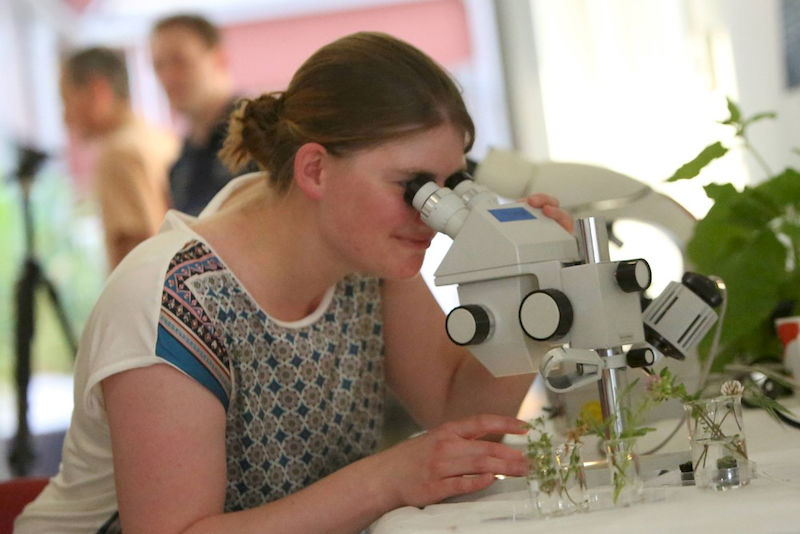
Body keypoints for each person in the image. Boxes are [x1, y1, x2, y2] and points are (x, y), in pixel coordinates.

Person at [16, 32, 573, 533]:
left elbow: (461, 420)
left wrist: (536, 294)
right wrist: (383, 480)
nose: (433, 213)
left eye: (449, 186)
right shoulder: (173, 301)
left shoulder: (367, 262)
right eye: (413, 186)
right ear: (315, 170)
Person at [60, 46, 178, 270]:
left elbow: (136, 251)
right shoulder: (160, 138)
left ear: (98, 91)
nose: (65, 117)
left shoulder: (117, 155)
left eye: (66, 99)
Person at [150, 13, 246, 216]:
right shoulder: (180, 166)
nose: (168, 76)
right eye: (158, 65)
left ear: (219, 58)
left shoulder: (259, 136)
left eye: (180, 60)